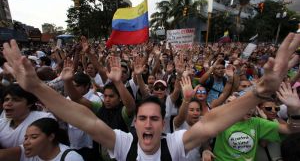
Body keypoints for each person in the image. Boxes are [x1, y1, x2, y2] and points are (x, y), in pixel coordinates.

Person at [2, 33, 300, 160]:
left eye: (154, 119)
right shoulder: (123, 143)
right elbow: (83, 118)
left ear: (163, 124)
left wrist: (258, 93)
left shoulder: (176, 144)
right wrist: (36, 88)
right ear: (134, 124)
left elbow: (212, 123)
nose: (147, 124)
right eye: (142, 118)